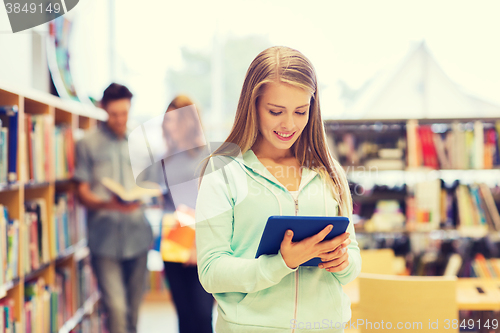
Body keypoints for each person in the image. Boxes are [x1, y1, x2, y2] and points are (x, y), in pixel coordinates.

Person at [195, 46, 361, 333]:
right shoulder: (222, 171)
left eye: (300, 111)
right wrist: (281, 263)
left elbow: (353, 259)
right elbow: (211, 272)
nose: (289, 124)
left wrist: (343, 261)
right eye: (275, 111)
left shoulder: (328, 171)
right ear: (253, 105)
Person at [73, 83, 153, 333]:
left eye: (124, 113)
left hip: (138, 236)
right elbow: (82, 191)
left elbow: (150, 183)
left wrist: (144, 196)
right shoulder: (87, 144)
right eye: (114, 114)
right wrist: (109, 204)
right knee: (116, 310)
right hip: (104, 239)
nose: (120, 119)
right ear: (103, 109)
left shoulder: (141, 144)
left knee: (133, 310)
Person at [159, 95, 215, 333]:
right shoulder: (165, 159)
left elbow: (215, 206)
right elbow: (168, 205)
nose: (169, 124)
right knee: (184, 316)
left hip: (201, 244)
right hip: (174, 245)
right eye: (167, 119)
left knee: (202, 316)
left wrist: (196, 244)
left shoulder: (209, 157)